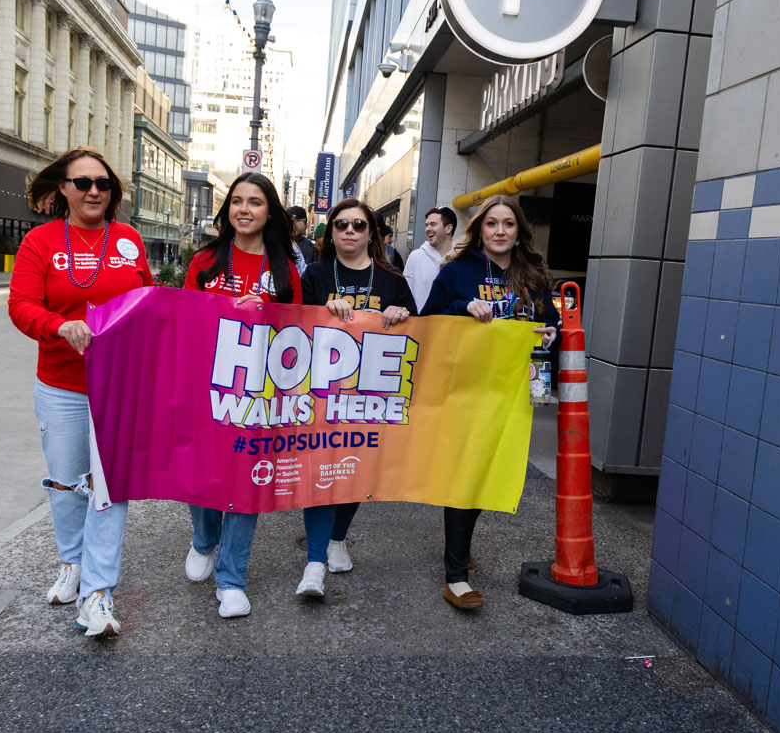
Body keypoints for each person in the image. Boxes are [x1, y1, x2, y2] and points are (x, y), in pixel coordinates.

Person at [8, 146, 153, 638]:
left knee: (110, 488)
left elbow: (150, 303)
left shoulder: (129, 240)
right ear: (63, 188)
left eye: (103, 183)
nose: (95, 191)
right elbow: (21, 305)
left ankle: (98, 591)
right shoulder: (40, 241)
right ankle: (72, 562)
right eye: (84, 182)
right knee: (67, 483)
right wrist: (58, 325)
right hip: (62, 386)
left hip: (119, 386)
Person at [421, 195, 559, 611]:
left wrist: (550, 335)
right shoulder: (456, 271)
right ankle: (455, 577)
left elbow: (550, 323)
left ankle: (459, 547)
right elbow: (428, 322)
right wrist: (462, 306)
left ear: (519, 232)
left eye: (508, 224)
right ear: (479, 229)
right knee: (467, 474)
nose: (500, 231)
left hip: (512, 391)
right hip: (467, 390)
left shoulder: (534, 274)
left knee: (489, 471)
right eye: (492, 223)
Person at [183, 172, 302, 618]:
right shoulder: (205, 261)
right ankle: (203, 539)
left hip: (259, 395)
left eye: (255, 201)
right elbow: (183, 320)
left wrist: (266, 314)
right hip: (205, 386)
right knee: (201, 474)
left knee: (245, 482)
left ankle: (231, 579)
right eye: (237, 201)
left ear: (270, 212)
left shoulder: (285, 269)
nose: (244, 209)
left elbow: (299, 333)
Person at [297, 197, 416, 596]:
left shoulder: (393, 279)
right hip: (320, 393)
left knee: (355, 471)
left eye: (359, 225)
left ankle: (337, 539)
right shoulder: (315, 274)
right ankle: (314, 563)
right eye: (341, 224)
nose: (350, 230)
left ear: (372, 234)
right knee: (319, 473)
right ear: (330, 233)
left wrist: (402, 315)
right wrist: (320, 309)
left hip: (371, 397)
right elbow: (293, 328)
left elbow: (420, 330)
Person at [403, 206, 458, 311]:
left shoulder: (462, 258)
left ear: (448, 228)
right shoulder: (415, 257)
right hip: (421, 321)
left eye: (433, 224)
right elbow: (405, 296)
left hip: (452, 321)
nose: (427, 229)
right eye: (426, 225)